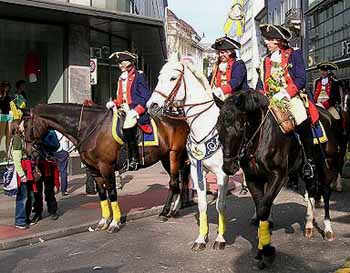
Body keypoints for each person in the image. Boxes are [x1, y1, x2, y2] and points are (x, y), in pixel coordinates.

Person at [256, 24, 319, 191]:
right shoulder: (266, 60)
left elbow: (300, 79)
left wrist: (285, 93)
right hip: (270, 99)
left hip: (289, 97)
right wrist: (259, 95)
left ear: (278, 41)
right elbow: (261, 83)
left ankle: (309, 161)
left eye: (269, 40)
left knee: (301, 117)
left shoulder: (293, 54)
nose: (266, 42)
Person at [106, 51, 152, 171]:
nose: (119, 65)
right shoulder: (121, 78)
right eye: (119, 63)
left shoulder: (139, 76)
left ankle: (133, 159)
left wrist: (137, 110)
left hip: (135, 110)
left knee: (127, 126)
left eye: (121, 62)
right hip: (124, 108)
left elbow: (146, 96)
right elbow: (121, 98)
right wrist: (114, 103)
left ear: (128, 63)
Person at [210, 36, 249, 100]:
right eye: (219, 53)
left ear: (230, 52)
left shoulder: (238, 64)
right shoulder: (216, 66)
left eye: (222, 52)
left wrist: (221, 90)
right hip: (220, 98)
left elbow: (236, 82)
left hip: (238, 98)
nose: (220, 55)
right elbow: (210, 80)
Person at [12, 122, 35, 229]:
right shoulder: (17, 139)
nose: (24, 125)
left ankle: (26, 218)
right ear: (17, 126)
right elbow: (16, 159)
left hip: (27, 171)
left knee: (29, 196)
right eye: (22, 124)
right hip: (23, 172)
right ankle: (19, 221)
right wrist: (22, 175)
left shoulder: (22, 138)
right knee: (23, 197)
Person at [53, 130, 70, 196]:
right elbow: (67, 140)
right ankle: (64, 190)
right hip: (63, 151)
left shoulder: (53, 131)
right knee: (63, 171)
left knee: (54, 171)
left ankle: (55, 187)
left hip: (54, 152)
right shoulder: (63, 131)